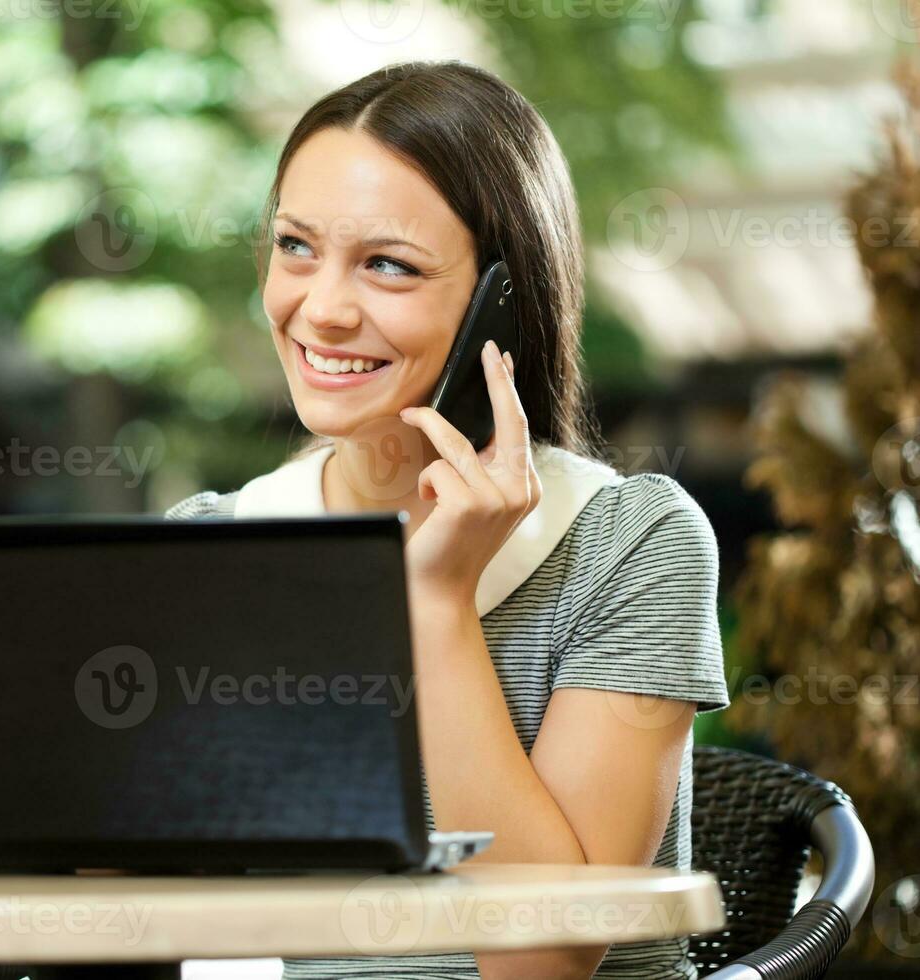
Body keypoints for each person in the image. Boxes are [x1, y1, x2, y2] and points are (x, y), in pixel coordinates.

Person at [164, 60, 730, 980]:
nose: (322, 309)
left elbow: (542, 962)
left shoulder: (630, 542)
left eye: (388, 265)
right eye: (296, 246)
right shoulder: (218, 546)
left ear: (501, 299)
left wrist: (435, 601)